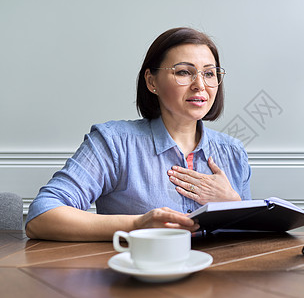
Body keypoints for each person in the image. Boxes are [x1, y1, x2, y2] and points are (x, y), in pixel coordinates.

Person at [25, 27, 251, 241]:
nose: (200, 85)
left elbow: (251, 244)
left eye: (210, 74)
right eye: (184, 72)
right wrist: (136, 225)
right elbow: (41, 216)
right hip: (133, 278)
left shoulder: (234, 152)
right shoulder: (113, 142)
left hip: (218, 280)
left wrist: (234, 203)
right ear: (152, 81)